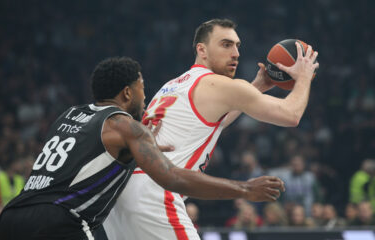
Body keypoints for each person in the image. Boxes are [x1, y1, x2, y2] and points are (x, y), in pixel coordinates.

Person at [0, 57, 285, 240]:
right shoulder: (125, 127)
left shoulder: (70, 115)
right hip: (57, 222)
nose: (145, 97)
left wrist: (140, 146)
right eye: (142, 88)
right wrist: (245, 189)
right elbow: (173, 177)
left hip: (13, 216)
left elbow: (87, 159)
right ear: (127, 93)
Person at [104, 18, 318, 239]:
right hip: (153, 195)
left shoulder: (173, 84)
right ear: (202, 49)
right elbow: (290, 115)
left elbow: (218, 122)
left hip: (119, 196)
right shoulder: (220, 85)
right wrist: (303, 78)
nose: (235, 53)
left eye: (237, 46)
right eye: (226, 45)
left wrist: (257, 87)